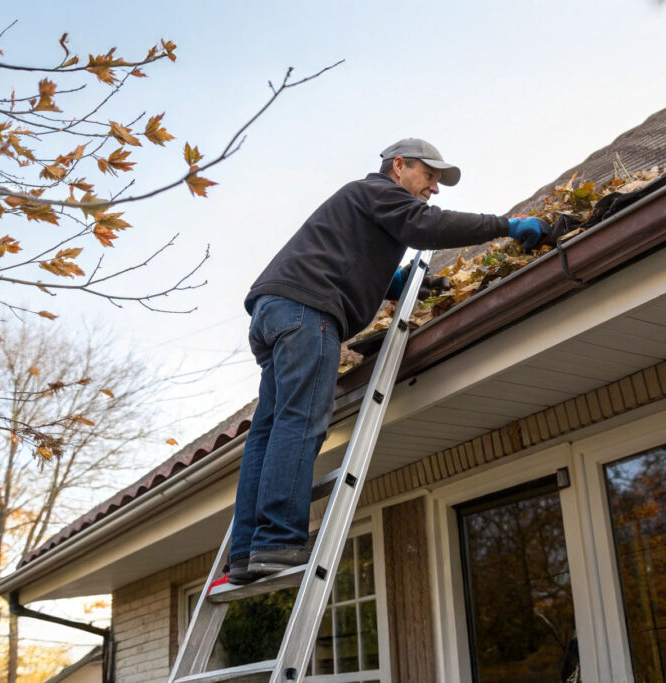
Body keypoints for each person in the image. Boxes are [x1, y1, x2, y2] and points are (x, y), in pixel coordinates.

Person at [228, 138, 548, 584]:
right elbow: (425, 227)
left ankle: (245, 552)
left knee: (267, 434)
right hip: (308, 313)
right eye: (429, 175)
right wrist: (507, 225)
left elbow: (357, 259)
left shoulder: (362, 205)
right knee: (301, 422)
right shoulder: (378, 191)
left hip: (276, 312)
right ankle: (278, 540)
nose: (434, 187)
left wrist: (399, 283)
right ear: (399, 166)